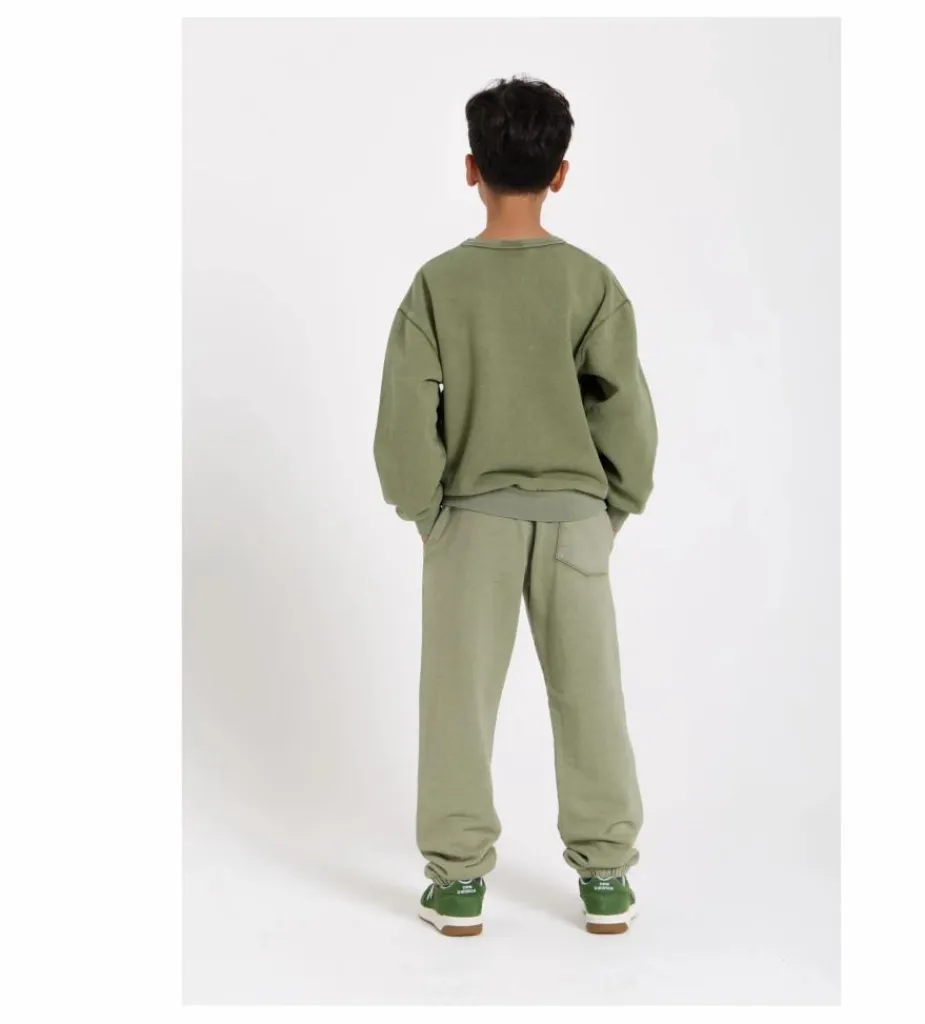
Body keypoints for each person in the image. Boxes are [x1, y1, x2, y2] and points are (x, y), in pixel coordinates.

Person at [373, 76, 657, 936]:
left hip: (472, 520)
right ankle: (606, 879)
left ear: (472, 168)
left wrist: (426, 511)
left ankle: (458, 885)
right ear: (560, 174)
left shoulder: (438, 285)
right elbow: (626, 412)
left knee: (457, 701)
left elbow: (404, 419)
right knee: (592, 694)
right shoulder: (590, 283)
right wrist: (612, 505)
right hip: (575, 518)